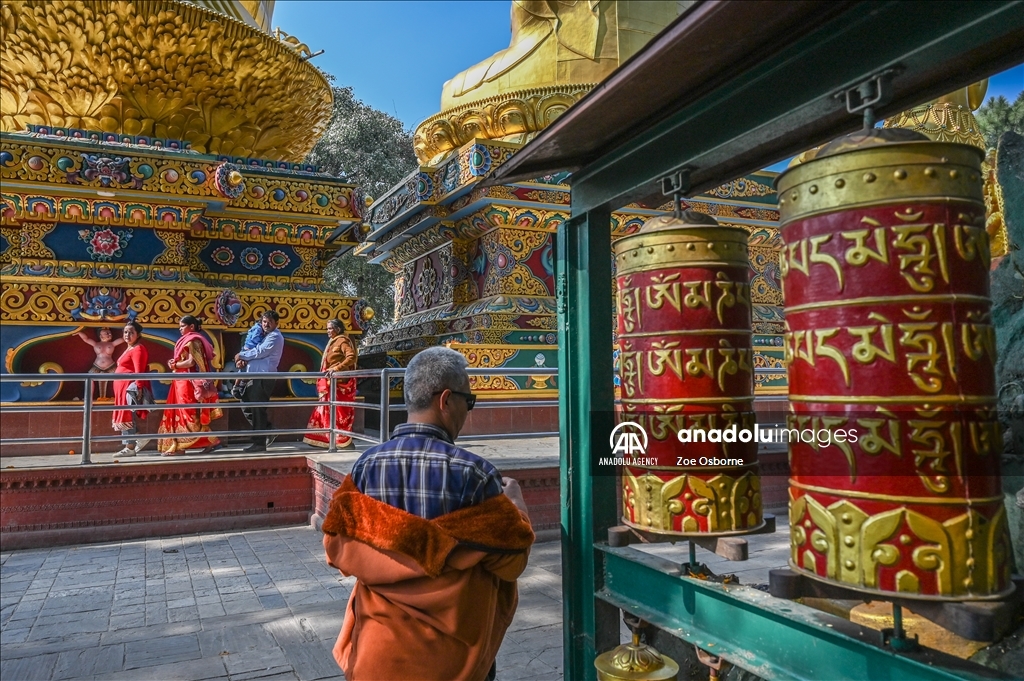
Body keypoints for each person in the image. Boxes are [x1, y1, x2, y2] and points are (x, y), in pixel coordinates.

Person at [321, 346, 534, 681]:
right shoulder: (476, 475)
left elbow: (338, 547)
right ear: (446, 400)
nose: (469, 410)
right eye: (469, 400)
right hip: (454, 661)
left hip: (377, 655)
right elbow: (511, 563)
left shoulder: (365, 467)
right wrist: (516, 505)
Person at [157, 315, 222, 455]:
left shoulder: (194, 340)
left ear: (191, 327)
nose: (180, 329)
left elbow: (191, 362)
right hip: (180, 380)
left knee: (187, 413)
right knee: (179, 411)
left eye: (182, 326)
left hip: (187, 381)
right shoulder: (189, 340)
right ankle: (186, 444)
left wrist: (175, 364)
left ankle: (186, 445)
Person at [234, 310, 284, 452]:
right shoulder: (262, 335)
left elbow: (260, 352)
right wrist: (243, 360)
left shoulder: (274, 336)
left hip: (264, 377)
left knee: (258, 409)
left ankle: (259, 442)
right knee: (245, 403)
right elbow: (253, 350)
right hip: (253, 376)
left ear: (276, 323)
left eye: (269, 322)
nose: (266, 324)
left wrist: (241, 355)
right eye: (264, 322)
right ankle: (268, 429)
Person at [304, 319, 358, 449]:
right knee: (325, 410)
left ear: (338, 329)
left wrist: (337, 368)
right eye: (327, 328)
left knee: (338, 412)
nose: (327, 331)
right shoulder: (333, 341)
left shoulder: (342, 341)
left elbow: (351, 357)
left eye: (329, 328)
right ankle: (324, 440)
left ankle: (342, 441)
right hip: (330, 383)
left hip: (338, 385)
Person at [111, 321, 151, 456]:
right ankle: (139, 438)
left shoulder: (138, 348)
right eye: (125, 332)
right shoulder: (129, 348)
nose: (127, 334)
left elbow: (139, 370)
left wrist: (139, 387)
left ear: (138, 334)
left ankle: (130, 447)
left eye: (131, 332)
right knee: (125, 413)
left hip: (129, 387)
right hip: (121, 387)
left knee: (126, 414)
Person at [76, 327, 124, 399]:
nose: (109, 334)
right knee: (89, 378)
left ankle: (119, 397)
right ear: (100, 335)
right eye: (106, 333)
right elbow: (86, 339)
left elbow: (123, 339)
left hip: (110, 366)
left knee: (119, 378)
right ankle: (88, 398)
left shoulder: (112, 344)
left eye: (110, 333)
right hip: (97, 366)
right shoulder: (95, 344)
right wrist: (79, 332)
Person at [230, 311, 266, 400]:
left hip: (247, 349)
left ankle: (237, 386)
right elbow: (253, 340)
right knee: (244, 368)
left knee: (242, 370)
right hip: (249, 350)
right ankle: (239, 387)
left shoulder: (255, 328)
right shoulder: (258, 329)